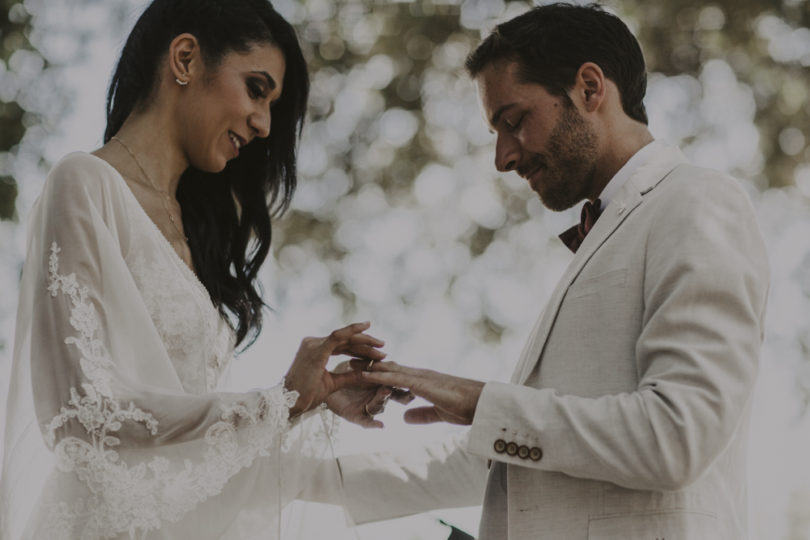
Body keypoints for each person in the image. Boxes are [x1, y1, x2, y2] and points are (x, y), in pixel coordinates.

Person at [332, 4, 770, 539]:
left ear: (589, 88)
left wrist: (483, 402)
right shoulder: (607, 226)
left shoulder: (697, 201)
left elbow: (676, 437)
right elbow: (516, 461)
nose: (502, 158)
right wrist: (292, 476)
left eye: (514, 121)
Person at [0, 1, 394, 538]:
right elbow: (80, 412)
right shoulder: (85, 184)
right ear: (185, 59)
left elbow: (188, 451)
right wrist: (274, 402)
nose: (264, 124)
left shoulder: (194, 232)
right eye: (257, 89)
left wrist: (306, 400)